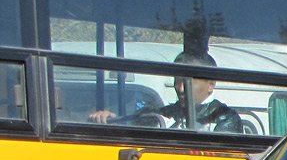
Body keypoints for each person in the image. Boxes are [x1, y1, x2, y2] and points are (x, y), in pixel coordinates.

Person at [89, 51, 241, 133]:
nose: (180, 88)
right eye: (178, 80)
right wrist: (114, 120)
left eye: (190, 82)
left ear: (211, 85)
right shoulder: (166, 113)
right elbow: (137, 127)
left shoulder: (224, 118)